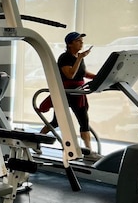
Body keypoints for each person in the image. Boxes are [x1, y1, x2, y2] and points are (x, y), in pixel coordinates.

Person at [39, 31, 101, 161]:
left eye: (81, 41)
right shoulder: (65, 58)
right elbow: (70, 75)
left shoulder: (78, 57)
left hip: (78, 93)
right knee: (56, 122)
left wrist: (98, 76)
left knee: (84, 121)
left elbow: (82, 73)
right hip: (66, 93)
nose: (81, 43)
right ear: (69, 44)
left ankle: (88, 151)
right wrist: (80, 58)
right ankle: (38, 139)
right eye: (78, 41)